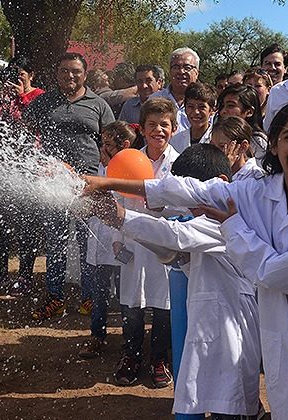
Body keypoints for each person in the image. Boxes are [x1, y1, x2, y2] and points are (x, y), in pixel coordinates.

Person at [84, 96, 288, 419]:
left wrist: (234, 225)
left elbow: (282, 276)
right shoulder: (258, 192)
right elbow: (191, 190)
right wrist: (107, 181)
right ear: (275, 144)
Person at [91, 144, 262, 418]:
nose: (192, 208)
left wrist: (120, 216)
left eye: (194, 198)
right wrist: (115, 218)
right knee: (219, 401)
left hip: (233, 338)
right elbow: (172, 251)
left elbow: (174, 236)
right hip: (213, 333)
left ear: (219, 185)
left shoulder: (225, 223)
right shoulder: (206, 222)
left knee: (233, 405)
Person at [24, 52, 115, 320]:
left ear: (85, 74)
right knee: (56, 242)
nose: (70, 76)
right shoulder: (44, 102)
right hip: (53, 183)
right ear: (57, 73)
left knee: (88, 243)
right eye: (64, 71)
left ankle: (89, 297)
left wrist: (105, 173)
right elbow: (26, 133)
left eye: (75, 71)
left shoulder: (98, 104)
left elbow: (111, 142)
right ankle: (55, 298)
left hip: (89, 183)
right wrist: (37, 161)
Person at [112, 98, 178, 388]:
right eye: (152, 125)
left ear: (174, 129)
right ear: (142, 128)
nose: (158, 130)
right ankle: (132, 355)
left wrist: (162, 208)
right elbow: (115, 199)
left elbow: (185, 205)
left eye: (164, 125)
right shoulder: (128, 160)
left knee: (164, 305)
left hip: (164, 245)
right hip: (133, 243)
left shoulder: (180, 164)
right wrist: (116, 239)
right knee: (132, 304)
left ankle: (159, 358)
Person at [0, 56, 45, 294]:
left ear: (31, 75)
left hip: (29, 169)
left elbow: (35, 123)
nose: (17, 80)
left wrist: (21, 97)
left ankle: (26, 275)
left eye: (21, 75)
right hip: (3, 167)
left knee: (26, 225)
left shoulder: (39, 97)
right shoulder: (5, 98)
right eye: (13, 75)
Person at [78, 121, 133, 359]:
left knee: (125, 295)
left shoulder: (130, 170)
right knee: (99, 292)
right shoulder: (100, 168)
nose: (102, 148)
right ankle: (97, 335)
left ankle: (129, 339)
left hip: (122, 241)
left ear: (124, 146)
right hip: (101, 243)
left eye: (108, 144)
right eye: (102, 143)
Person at [151, 47, 200, 131]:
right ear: (170, 71)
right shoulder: (155, 99)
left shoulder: (206, 101)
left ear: (197, 72)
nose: (181, 71)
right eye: (176, 67)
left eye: (187, 67)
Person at [216, 84, 267, 163]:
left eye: (230, 106)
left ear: (249, 112)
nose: (223, 111)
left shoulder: (258, 142)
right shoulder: (215, 134)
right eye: (222, 106)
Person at [209, 116, 264, 181]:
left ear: (243, 147)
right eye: (212, 146)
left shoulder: (255, 177)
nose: (215, 151)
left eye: (222, 146)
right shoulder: (210, 170)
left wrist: (225, 169)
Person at [169, 82, 216, 153]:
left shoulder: (216, 140)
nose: (196, 112)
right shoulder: (176, 140)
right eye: (190, 106)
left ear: (212, 110)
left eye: (202, 107)